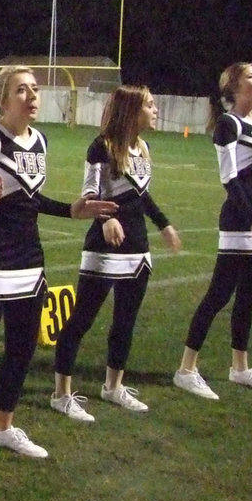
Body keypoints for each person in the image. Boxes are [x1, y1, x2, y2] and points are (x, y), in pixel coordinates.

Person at [0, 65, 117, 482]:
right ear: (3, 99)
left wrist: (72, 210)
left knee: (21, 348)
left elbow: (32, 200)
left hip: (29, 258)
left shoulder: (40, 140)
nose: (32, 96)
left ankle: (2, 426)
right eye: (22, 89)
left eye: (35, 89)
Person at [51, 86, 181, 420]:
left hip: (137, 248)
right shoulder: (101, 147)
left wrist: (164, 225)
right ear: (131, 111)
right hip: (105, 247)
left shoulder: (144, 147)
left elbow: (142, 196)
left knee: (125, 321)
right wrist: (106, 218)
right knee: (81, 320)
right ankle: (61, 394)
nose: (155, 110)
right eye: (149, 105)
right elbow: (89, 194)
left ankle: (113, 386)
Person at [173, 62, 252, 399]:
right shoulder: (229, 125)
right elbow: (230, 179)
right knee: (219, 295)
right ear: (235, 88)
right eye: (251, 77)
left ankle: (240, 368)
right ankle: (186, 369)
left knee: (249, 299)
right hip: (243, 221)